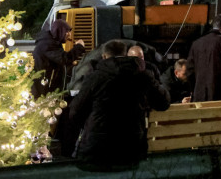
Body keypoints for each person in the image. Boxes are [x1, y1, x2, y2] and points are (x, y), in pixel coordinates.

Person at [61, 40, 170, 168]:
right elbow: (163, 103)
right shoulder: (143, 75)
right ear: (125, 55)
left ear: (104, 56)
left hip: (96, 151)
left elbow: (75, 112)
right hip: (131, 150)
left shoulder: (95, 77)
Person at [32, 19, 85, 98]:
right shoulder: (47, 44)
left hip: (48, 86)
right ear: (59, 31)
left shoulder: (51, 42)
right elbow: (64, 59)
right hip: (45, 89)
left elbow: (56, 61)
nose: (69, 35)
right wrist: (79, 47)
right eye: (67, 32)